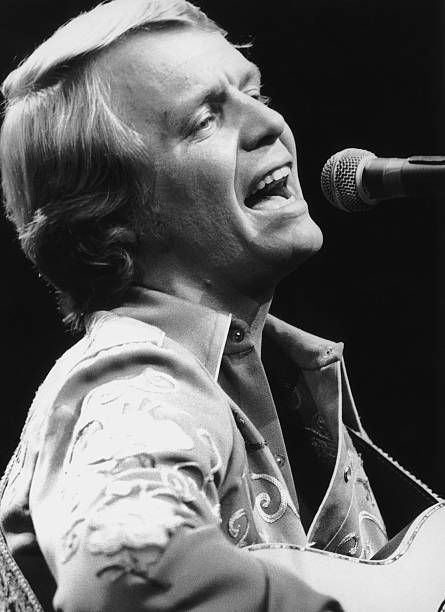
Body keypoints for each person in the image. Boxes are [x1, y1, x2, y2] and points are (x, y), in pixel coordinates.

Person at [0, 1, 439, 610]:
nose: (269, 123)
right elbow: (126, 574)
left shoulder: (281, 370)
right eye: (205, 120)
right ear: (110, 217)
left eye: (254, 93)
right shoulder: (134, 377)